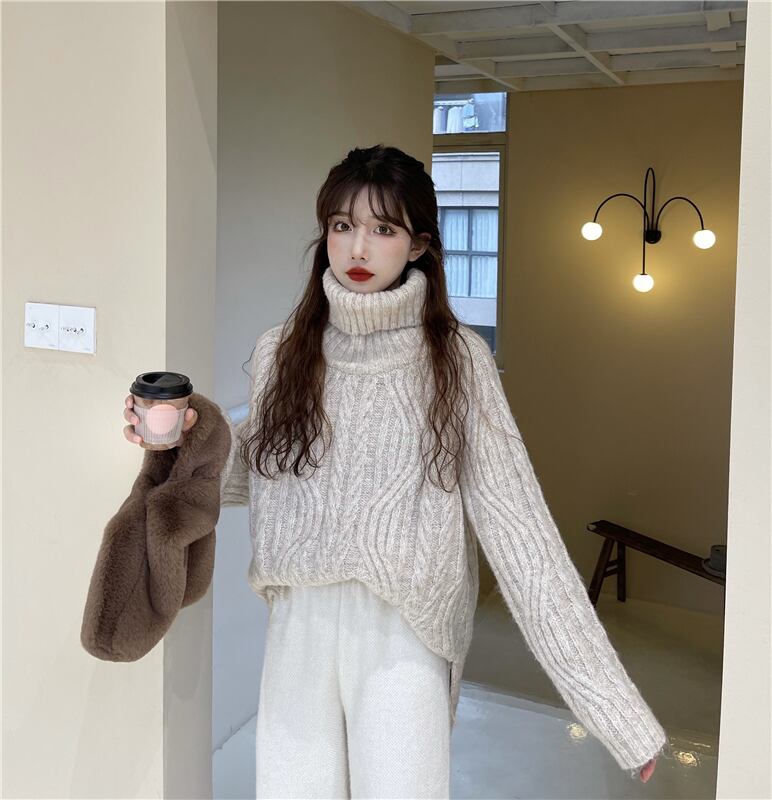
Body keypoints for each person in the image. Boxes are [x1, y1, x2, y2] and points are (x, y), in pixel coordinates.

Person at [123, 144, 665, 797]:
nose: (358, 248)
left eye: (383, 229)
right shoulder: (281, 350)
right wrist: (181, 439)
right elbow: (255, 472)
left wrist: (615, 711)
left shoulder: (457, 361)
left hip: (405, 634)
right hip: (299, 625)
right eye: (342, 225)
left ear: (418, 245)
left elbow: (522, 535)